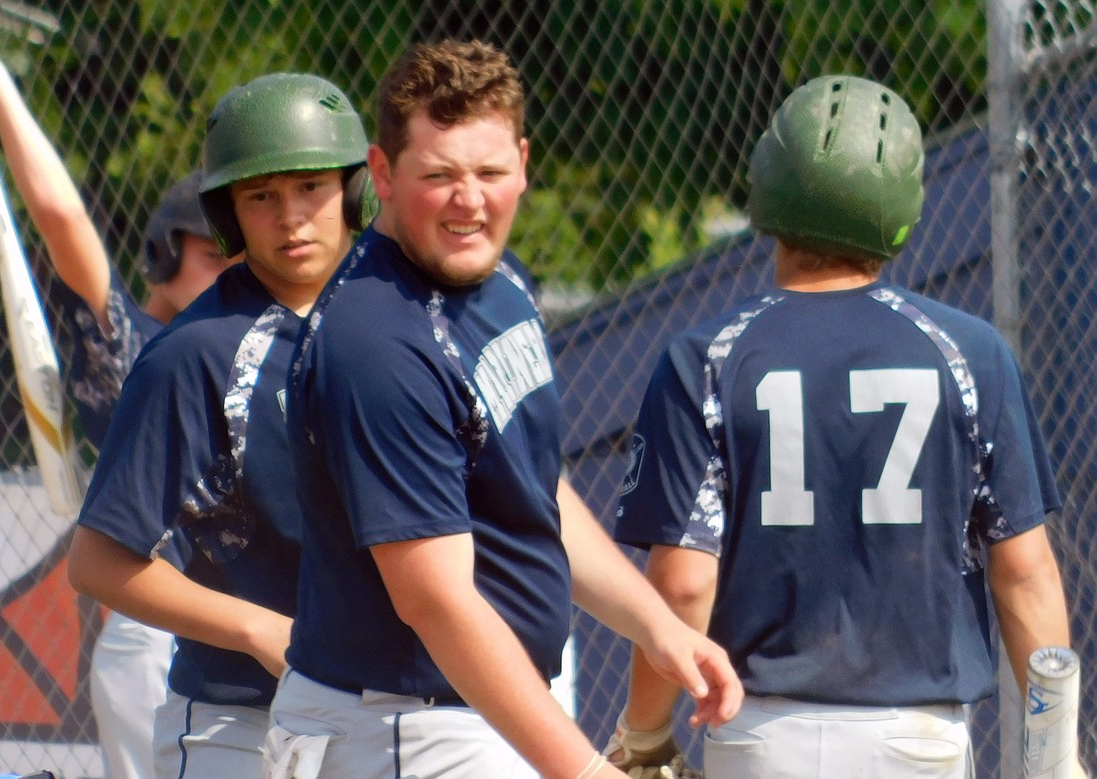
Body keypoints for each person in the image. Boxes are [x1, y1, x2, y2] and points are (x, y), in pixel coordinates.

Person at [266, 39, 743, 779]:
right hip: (403, 727)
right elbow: (438, 602)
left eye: (490, 172)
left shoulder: (497, 279)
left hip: (478, 708)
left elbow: (530, 483)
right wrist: (585, 771)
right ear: (383, 174)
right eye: (440, 175)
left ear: (523, 161)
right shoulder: (376, 342)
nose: (470, 200)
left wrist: (654, 625)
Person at [608, 74, 1073, 778]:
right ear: (903, 208)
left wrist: (643, 735)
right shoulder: (970, 352)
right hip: (917, 739)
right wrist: (1053, 758)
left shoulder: (708, 358)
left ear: (768, 186)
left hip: (757, 730)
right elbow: (1025, 571)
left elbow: (681, 587)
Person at [0, 43, 237, 779]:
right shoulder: (133, 344)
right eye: (210, 255)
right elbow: (62, 217)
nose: (230, 274)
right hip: (160, 632)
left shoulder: (252, 348)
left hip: (241, 629)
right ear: (164, 255)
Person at [65, 71, 374, 779]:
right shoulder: (195, 354)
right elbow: (97, 562)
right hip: (242, 719)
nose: (290, 216)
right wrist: (257, 627)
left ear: (355, 190)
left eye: (311, 187)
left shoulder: (399, 321)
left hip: (388, 710)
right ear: (228, 216)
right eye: (260, 195)